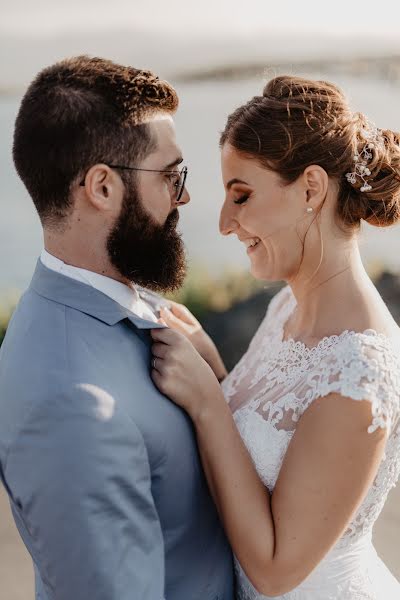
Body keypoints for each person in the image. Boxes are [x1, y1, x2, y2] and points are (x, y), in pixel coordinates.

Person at [151, 75, 400, 599]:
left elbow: (276, 569)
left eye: (240, 195)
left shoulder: (357, 372)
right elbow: (266, 444)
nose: (223, 222)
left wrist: (206, 403)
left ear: (311, 188)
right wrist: (212, 364)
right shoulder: (288, 304)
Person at [0, 55, 234, 600]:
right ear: (102, 188)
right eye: (172, 176)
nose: (186, 198)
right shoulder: (71, 405)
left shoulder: (125, 301)